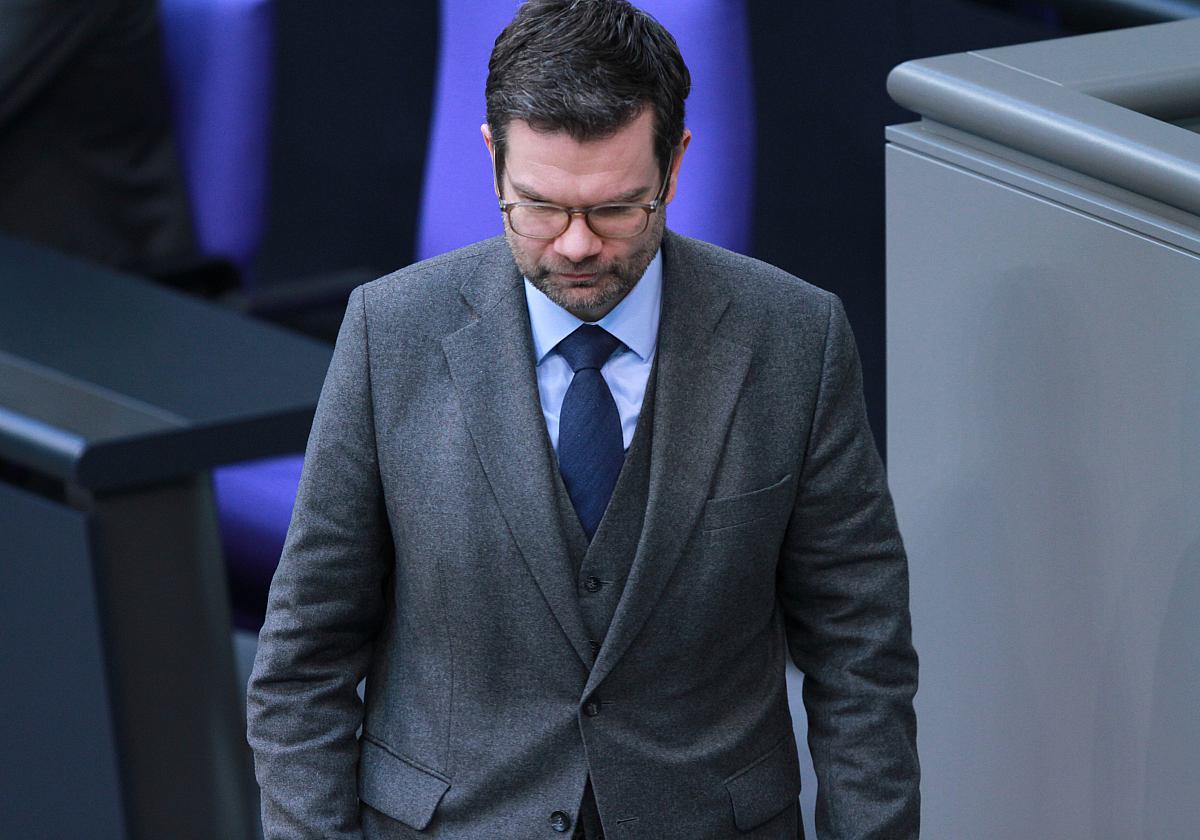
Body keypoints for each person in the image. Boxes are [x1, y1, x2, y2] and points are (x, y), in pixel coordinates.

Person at [247, 1, 919, 838]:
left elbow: (860, 651)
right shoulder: (390, 333)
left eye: (615, 209)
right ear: (492, 159)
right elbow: (303, 663)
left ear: (675, 164)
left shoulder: (795, 338)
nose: (575, 246)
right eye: (538, 207)